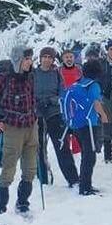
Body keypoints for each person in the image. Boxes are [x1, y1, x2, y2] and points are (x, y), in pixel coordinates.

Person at [0, 46, 39, 215]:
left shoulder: (31, 77)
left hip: (31, 126)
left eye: (31, 59)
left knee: (30, 170)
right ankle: (0, 207)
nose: (30, 62)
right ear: (18, 60)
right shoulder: (3, 79)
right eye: (27, 59)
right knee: (8, 169)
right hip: (13, 128)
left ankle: (23, 202)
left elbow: (33, 97)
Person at [34, 46, 80, 187]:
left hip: (54, 112)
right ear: (40, 58)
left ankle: (73, 179)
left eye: (50, 57)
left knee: (62, 146)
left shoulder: (56, 74)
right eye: (45, 57)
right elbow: (27, 91)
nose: (47, 60)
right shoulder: (33, 74)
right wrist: (35, 102)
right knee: (39, 147)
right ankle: (43, 177)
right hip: (37, 114)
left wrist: (51, 101)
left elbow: (62, 93)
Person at [65, 59, 110, 195]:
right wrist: (103, 115)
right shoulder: (93, 85)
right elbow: (96, 102)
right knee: (89, 156)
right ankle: (85, 187)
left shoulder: (77, 83)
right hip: (89, 124)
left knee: (86, 154)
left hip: (76, 125)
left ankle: (84, 184)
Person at [59, 47, 84, 155]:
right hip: (64, 102)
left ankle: (77, 148)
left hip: (76, 102)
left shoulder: (79, 70)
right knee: (65, 124)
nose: (69, 59)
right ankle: (65, 147)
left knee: (76, 124)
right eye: (66, 57)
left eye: (70, 57)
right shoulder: (59, 71)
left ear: (74, 58)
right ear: (63, 59)